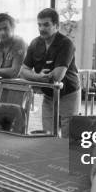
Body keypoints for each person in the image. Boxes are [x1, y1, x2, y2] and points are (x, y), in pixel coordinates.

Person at [20, 8, 80, 138]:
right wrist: (39, 77)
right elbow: (23, 71)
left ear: (56, 26)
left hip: (68, 94)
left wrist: (34, 78)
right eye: (39, 25)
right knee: (47, 135)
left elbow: (58, 76)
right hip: (48, 95)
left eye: (46, 24)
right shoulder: (35, 43)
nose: (42, 28)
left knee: (67, 138)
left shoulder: (66, 43)